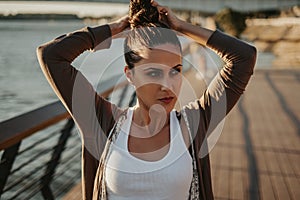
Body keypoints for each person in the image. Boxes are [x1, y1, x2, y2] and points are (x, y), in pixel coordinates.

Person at [37, 0, 256, 199]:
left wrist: (181, 27)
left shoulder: (195, 122)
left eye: (175, 71)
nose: (167, 85)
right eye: (153, 73)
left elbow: (244, 57)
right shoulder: (102, 121)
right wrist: (116, 28)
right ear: (129, 74)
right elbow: (52, 56)